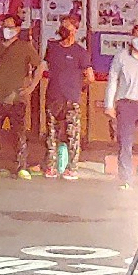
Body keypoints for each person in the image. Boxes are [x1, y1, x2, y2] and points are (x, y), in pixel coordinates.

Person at [0, 15, 44, 180]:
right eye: (4, 26)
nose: (6, 30)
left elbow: (40, 66)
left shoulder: (25, 47)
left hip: (17, 99)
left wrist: (31, 88)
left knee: (19, 133)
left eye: (9, 26)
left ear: (17, 29)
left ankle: (21, 166)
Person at [104, 25, 138, 190]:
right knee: (125, 143)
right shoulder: (121, 57)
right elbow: (112, 80)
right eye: (137, 35)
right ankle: (126, 179)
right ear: (131, 37)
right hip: (126, 104)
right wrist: (109, 105)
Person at [43, 16, 94, 180]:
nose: (63, 29)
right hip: (53, 97)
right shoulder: (52, 47)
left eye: (67, 26)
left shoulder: (81, 52)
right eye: (62, 26)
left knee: (73, 134)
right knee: (51, 134)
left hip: (72, 99)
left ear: (75, 29)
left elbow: (90, 76)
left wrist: (79, 86)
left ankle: (72, 168)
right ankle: (50, 166)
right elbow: (43, 67)